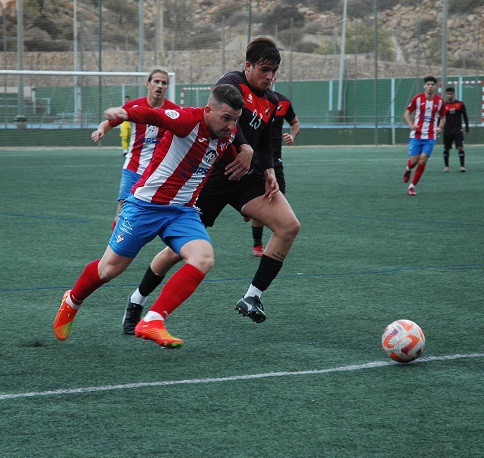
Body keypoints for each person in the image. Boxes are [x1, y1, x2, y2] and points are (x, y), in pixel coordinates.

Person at [121, 37, 301, 334]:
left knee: (289, 226)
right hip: (211, 178)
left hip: (247, 178)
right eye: (265, 69)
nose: (269, 76)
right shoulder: (232, 83)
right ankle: (136, 300)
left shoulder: (271, 100)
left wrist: (268, 169)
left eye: (275, 71)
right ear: (248, 66)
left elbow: (268, 140)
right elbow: (230, 124)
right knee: (175, 252)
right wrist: (244, 147)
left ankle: (252, 297)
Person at [53, 85, 251, 349]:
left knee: (203, 257)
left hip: (182, 212)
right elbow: (155, 116)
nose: (230, 126)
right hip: (145, 207)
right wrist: (124, 113)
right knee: (109, 269)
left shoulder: (229, 133)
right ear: (208, 111)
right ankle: (72, 300)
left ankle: (153, 320)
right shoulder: (188, 120)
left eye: (235, 120)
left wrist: (244, 160)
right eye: (226, 118)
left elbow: (226, 154)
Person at [91, 70, 180, 229]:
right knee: (123, 207)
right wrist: (100, 130)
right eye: (156, 82)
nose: (159, 86)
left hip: (159, 169)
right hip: (134, 165)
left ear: (167, 87)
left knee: (161, 211)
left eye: (164, 83)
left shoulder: (173, 110)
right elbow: (109, 122)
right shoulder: (134, 106)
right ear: (148, 84)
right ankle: (111, 254)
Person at [251, 82, 300, 257]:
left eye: (272, 73)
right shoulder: (251, 100)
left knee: (278, 203)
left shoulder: (283, 102)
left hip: (275, 160)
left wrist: (292, 135)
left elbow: (295, 123)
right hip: (254, 158)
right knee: (258, 205)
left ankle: (274, 246)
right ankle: (257, 244)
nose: (268, 77)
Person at [402, 76, 446, 196]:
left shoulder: (440, 101)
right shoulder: (417, 99)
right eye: (428, 84)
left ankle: (412, 187)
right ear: (424, 86)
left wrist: (439, 127)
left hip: (431, 136)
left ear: (435, 86)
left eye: (432, 84)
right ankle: (407, 169)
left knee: (422, 160)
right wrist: (411, 125)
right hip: (416, 135)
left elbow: (443, 117)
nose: (430, 86)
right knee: (414, 161)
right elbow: (406, 114)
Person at [440, 87, 469, 173]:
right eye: (448, 94)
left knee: (460, 148)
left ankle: (462, 166)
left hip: (458, 130)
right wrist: (438, 128)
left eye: (451, 94)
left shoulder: (460, 104)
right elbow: (440, 118)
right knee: (446, 149)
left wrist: (467, 127)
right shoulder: (443, 105)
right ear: (446, 95)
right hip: (447, 130)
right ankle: (446, 166)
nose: (449, 95)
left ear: (454, 94)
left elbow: (465, 116)